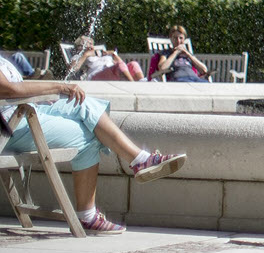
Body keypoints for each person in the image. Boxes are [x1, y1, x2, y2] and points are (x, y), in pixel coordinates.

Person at [2, 56, 186, 233]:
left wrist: (47, 92)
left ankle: (141, 159)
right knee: (90, 134)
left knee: (84, 104)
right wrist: (59, 86)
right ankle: (89, 215)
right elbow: (7, 90)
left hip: (22, 113)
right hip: (13, 125)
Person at [65, 35, 144, 82]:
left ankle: (142, 84)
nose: (90, 45)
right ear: (80, 47)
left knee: (133, 64)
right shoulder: (80, 56)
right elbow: (71, 69)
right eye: (86, 43)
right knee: (120, 65)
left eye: (91, 43)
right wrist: (85, 55)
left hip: (111, 72)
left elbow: (123, 65)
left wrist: (113, 54)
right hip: (95, 77)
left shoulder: (99, 55)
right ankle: (133, 86)